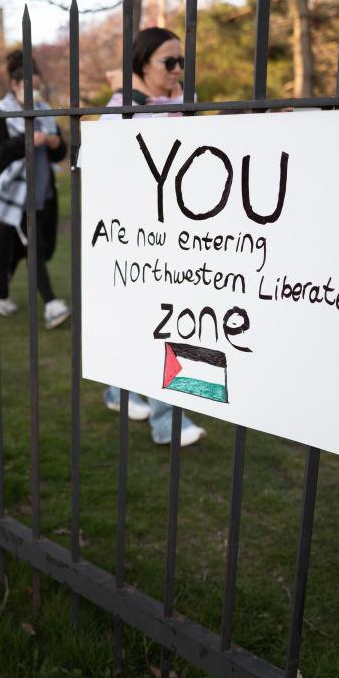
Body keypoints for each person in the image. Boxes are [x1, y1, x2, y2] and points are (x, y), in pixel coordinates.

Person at [101, 27, 206, 447]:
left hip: (184, 230)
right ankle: (168, 421)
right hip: (137, 234)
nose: (178, 70)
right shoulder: (120, 108)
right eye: (169, 62)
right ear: (142, 63)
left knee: (176, 320)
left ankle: (121, 392)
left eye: (182, 61)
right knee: (151, 322)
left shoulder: (185, 103)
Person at [0, 50, 71, 330]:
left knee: (26, 249)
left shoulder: (45, 112)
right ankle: (51, 304)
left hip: (41, 196)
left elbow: (59, 154)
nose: (35, 92)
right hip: (9, 196)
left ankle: (1, 295)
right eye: (28, 87)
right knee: (17, 251)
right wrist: (26, 140)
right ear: (15, 86)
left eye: (37, 86)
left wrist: (55, 144)